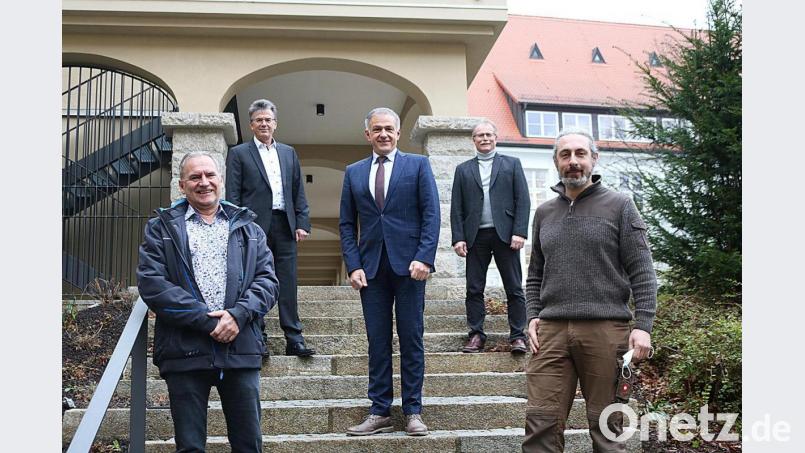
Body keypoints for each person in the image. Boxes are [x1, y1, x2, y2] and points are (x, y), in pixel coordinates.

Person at [523, 129, 657, 452]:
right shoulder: (544, 213)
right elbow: (535, 274)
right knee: (540, 424)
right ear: (556, 162)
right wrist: (532, 315)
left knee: (607, 426)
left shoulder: (620, 206)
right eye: (565, 154)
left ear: (594, 159)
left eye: (580, 153)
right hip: (551, 333)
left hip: (605, 330)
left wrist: (643, 326)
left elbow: (643, 271)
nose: (573, 161)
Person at [137, 152, 279, 452]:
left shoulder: (250, 229)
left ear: (221, 180)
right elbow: (152, 284)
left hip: (240, 348)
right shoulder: (161, 228)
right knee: (189, 447)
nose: (204, 182)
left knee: (249, 445)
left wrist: (237, 315)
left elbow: (268, 282)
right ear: (182, 185)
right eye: (195, 177)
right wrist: (207, 321)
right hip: (184, 349)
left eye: (210, 175)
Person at [339, 107, 440, 437]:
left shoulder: (418, 165)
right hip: (371, 269)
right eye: (377, 129)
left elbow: (431, 214)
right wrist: (353, 265)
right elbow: (346, 224)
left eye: (388, 129)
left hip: (410, 267)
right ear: (367, 134)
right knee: (377, 341)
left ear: (397, 133)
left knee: (411, 339)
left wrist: (425, 257)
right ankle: (379, 411)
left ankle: (413, 411)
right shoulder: (353, 172)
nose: (383, 134)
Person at [226, 98, 315, 357]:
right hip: (253, 228)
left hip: (285, 225)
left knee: (288, 282)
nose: (264, 124)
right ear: (251, 125)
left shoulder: (288, 153)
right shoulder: (239, 153)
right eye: (259, 120)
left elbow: (297, 190)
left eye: (268, 119)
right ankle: (258, 338)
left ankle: (294, 339)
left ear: (275, 123)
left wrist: (302, 222)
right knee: (254, 281)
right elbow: (233, 194)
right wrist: (239, 226)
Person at [450, 120, 530, 354]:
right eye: (479, 135)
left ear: (496, 137)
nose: (484, 138)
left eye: (488, 134)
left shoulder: (512, 164)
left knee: (514, 288)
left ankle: (518, 336)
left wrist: (519, 232)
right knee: (474, 289)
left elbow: (523, 200)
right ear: (473, 140)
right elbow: (457, 207)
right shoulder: (463, 169)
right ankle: (476, 335)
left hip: (506, 235)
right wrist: (458, 237)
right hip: (475, 236)